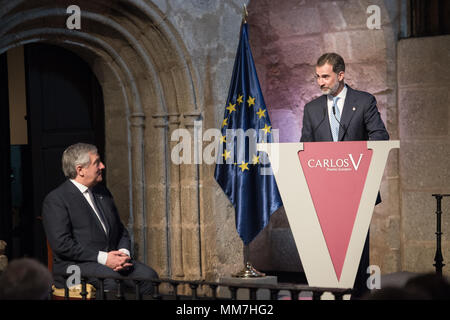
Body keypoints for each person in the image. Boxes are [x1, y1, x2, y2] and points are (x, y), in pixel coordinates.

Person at [300, 53, 389, 298]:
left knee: (356, 258)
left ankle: (358, 295)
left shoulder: (363, 102)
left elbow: (380, 137)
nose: (320, 82)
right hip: (324, 196)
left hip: (356, 191)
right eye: (317, 77)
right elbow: (304, 149)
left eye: (325, 76)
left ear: (340, 75)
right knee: (325, 256)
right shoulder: (312, 109)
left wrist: (353, 156)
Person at [42, 143, 158, 296]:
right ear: (80, 170)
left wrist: (123, 253)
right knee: (111, 279)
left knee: (149, 277)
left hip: (111, 262)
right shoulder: (57, 200)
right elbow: (62, 245)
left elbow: (120, 230)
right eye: (97, 162)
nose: (102, 166)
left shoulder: (102, 192)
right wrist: (104, 258)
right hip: (74, 267)